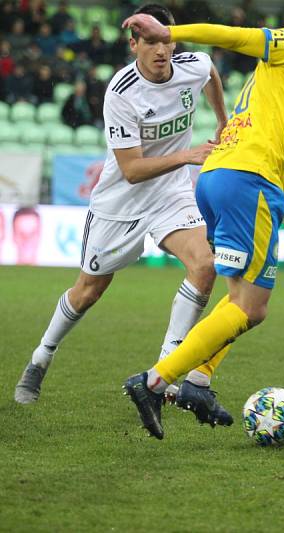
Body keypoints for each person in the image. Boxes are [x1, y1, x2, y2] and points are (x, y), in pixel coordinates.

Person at [120, 0, 284, 440]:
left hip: (230, 178)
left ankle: (197, 383)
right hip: (244, 182)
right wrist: (170, 33)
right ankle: (153, 383)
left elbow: (279, 158)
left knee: (244, 302)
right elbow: (235, 36)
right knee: (251, 305)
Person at [14, 5, 228, 411]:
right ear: (134, 44)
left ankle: (163, 372)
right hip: (121, 203)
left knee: (205, 265)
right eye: (150, 41)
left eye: (165, 40)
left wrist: (222, 119)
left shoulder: (192, 66)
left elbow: (211, 71)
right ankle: (41, 357)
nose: (160, 49)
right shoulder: (122, 91)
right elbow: (130, 170)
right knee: (89, 291)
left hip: (171, 195)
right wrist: (187, 155)